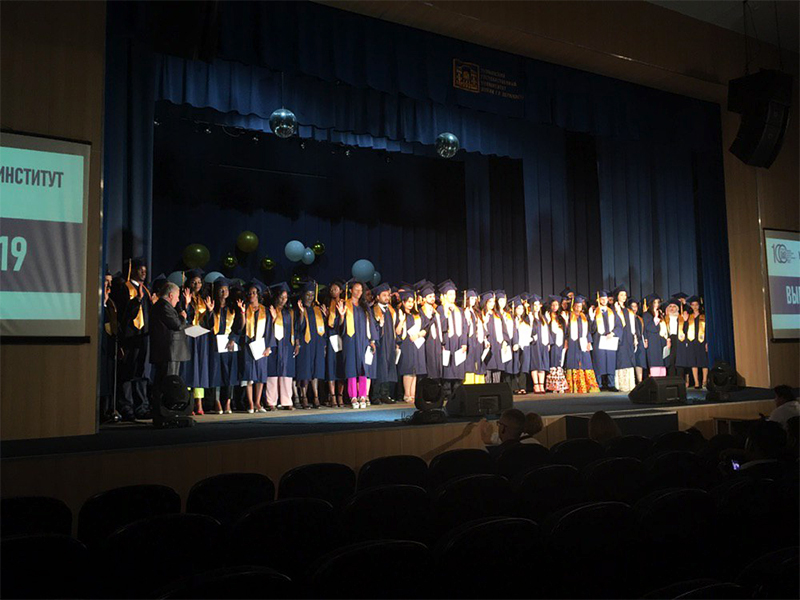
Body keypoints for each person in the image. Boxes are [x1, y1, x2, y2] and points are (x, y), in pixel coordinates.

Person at [112, 257, 152, 421]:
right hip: (129, 337)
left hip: (143, 336)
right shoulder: (123, 288)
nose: (143, 271)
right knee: (127, 373)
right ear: (132, 270)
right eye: (140, 269)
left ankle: (142, 406)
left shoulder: (146, 290)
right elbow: (122, 314)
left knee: (141, 372)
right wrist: (136, 301)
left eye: (145, 269)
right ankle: (126, 407)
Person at [202, 277, 243, 414]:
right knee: (215, 373)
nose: (223, 291)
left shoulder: (233, 308)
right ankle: (217, 401)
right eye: (220, 289)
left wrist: (233, 339)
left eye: (225, 289)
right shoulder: (212, 307)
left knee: (229, 374)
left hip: (229, 345)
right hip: (214, 344)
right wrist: (209, 311)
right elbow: (207, 326)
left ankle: (228, 402)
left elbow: (238, 327)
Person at [338, 280, 377, 409]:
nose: (359, 292)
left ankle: (363, 395)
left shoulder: (364, 307)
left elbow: (371, 325)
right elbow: (340, 325)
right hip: (350, 340)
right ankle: (353, 396)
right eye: (356, 289)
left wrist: (372, 341)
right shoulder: (345, 304)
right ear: (350, 290)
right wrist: (342, 316)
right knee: (351, 367)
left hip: (364, 340)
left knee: (363, 368)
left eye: (361, 290)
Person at [148, 282, 191, 388]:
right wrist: (182, 317)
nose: (177, 300)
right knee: (168, 382)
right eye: (177, 297)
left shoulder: (165, 306)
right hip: (168, 352)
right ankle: (162, 404)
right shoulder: (163, 306)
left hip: (171, 353)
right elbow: (177, 325)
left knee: (170, 381)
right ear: (171, 295)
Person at [265, 282, 299, 410]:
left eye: (285, 298)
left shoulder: (288, 312)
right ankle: (271, 402)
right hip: (273, 344)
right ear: (276, 297)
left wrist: (296, 343)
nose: (284, 300)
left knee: (286, 373)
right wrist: (272, 319)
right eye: (281, 297)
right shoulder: (269, 311)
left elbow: (294, 329)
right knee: (272, 373)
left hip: (286, 345)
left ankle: (286, 401)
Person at [240, 280, 272, 413]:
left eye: (254, 293)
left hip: (261, 346)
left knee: (260, 376)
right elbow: (240, 329)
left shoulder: (265, 310)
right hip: (248, 346)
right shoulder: (244, 308)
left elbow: (270, 330)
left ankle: (258, 402)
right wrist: (241, 314)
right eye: (250, 293)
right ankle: (251, 404)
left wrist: (269, 346)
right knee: (249, 376)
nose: (252, 295)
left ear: (258, 295)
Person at [181, 269, 211, 415]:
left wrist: (210, 311)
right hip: (188, 336)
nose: (197, 284)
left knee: (200, 370)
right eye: (194, 282)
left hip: (201, 337)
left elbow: (208, 321)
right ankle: (188, 403)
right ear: (188, 283)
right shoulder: (183, 297)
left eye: (199, 282)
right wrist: (186, 304)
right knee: (188, 369)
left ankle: (199, 403)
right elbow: (182, 316)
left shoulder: (204, 299)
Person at [295, 281, 326, 409]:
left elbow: (323, 330)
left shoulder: (317, 310)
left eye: (312, 295)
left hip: (317, 343)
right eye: (308, 294)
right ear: (303, 295)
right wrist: (302, 313)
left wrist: (326, 316)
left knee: (316, 370)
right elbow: (298, 327)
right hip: (305, 344)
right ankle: (304, 396)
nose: (310, 297)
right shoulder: (298, 309)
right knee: (305, 371)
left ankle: (316, 396)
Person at [564, 295, 600, 394]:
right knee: (573, 362)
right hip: (573, 343)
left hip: (583, 343)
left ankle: (588, 387)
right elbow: (566, 331)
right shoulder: (568, 316)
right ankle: (574, 387)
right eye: (577, 306)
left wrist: (589, 342)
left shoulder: (585, 317)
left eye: (580, 306)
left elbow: (590, 331)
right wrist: (566, 341)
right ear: (573, 306)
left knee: (586, 362)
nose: (578, 308)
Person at [395, 289, 427, 402]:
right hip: (406, 344)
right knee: (407, 370)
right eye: (408, 301)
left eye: (412, 301)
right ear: (403, 302)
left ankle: (413, 395)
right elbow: (398, 332)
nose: (410, 304)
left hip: (416, 344)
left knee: (415, 371)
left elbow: (424, 329)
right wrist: (401, 321)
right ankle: (406, 394)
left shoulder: (417, 315)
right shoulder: (400, 313)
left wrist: (420, 334)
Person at [370, 282, 398, 405]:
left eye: (388, 295)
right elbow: (372, 328)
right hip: (379, 344)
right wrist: (379, 325)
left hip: (389, 343)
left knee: (387, 368)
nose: (387, 297)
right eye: (384, 295)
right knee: (379, 368)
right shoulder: (373, 311)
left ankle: (385, 394)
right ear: (377, 297)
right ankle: (375, 395)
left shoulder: (390, 311)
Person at [438, 280, 467, 400]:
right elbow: (440, 327)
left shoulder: (459, 310)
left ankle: (457, 392)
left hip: (458, 341)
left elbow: (465, 328)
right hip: (447, 341)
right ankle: (446, 392)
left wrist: (464, 343)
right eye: (449, 294)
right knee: (448, 367)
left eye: (454, 294)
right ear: (444, 296)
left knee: (458, 367)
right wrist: (442, 343)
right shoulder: (440, 309)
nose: (452, 297)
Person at [590, 290, 619, 392]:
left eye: (605, 299)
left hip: (610, 340)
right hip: (599, 340)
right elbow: (592, 329)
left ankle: (611, 384)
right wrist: (592, 319)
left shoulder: (612, 312)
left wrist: (613, 333)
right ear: (598, 300)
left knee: (610, 362)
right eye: (601, 299)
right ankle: (600, 384)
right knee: (599, 362)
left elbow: (618, 326)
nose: (604, 300)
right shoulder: (595, 312)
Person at [678, 296, 708, 389]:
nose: (695, 307)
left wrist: (707, 342)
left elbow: (707, 330)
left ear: (699, 306)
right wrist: (685, 320)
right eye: (693, 305)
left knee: (703, 362)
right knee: (693, 362)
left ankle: (704, 381)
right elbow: (684, 330)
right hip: (691, 342)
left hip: (702, 342)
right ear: (690, 306)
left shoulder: (704, 317)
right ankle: (696, 382)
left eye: (696, 305)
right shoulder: (689, 317)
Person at [325, 280, 346, 407]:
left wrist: (342, 316)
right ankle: (332, 396)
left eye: (336, 289)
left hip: (341, 338)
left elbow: (346, 324)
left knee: (341, 368)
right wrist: (327, 316)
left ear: (341, 291)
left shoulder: (344, 304)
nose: (333, 291)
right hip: (331, 337)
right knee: (331, 368)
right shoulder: (327, 304)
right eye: (331, 289)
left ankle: (340, 396)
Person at [612, 286, 636, 393]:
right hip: (620, 339)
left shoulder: (628, 310)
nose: (623, 297)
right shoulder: (613, 310)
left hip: (628, 338)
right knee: (621, 359)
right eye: (621, 295)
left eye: (625, 295)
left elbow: (632, 326)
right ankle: (621, 385)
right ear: (617, 296)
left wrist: (634, 336)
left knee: (629, 358)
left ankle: (630, 384)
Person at [463, 289, 487, 385]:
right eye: (471, 299)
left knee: (478, 362)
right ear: (467, 299)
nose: (473, 301)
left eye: (474, 299)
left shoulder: (477, 312)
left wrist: (485, 339)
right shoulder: (465, 312)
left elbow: (482, 327)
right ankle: (469, 385)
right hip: (469, 340)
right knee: (470, 363)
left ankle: (479, 385)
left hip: (478, 341)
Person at [545, 295, 568, 393]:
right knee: (553, 362)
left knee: (560, 363)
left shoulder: (561, 318)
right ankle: (553, 386)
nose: (555, 307)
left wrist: (565, 342)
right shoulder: (547, 317)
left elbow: (566, 331)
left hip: (560, 342)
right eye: (553, 305)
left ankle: (560, 385)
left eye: (557, 305)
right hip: (552, 342)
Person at [642, 294, 668, 377]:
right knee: (655, 362)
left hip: (661, 341)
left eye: (658, 302)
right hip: (652, 341)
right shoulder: (646, 315)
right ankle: (655, 381)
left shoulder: (661, 314)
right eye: (654, 302)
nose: (657, 304)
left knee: (662, 362)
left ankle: (662, 381)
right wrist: (655, 319)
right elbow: (650, 328)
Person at [529, 294, 550, 394]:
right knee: (535, 364)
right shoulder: (530, 317)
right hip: (534, 343)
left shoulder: (543, 318)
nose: (537, 307)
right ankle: (536, 385)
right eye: (535, 305)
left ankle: (541, 385)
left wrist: (549, 343)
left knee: (543, 364)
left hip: (543, 343)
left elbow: (547, 331)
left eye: (538, 305)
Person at [509, 296, 531, 394]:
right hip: (515, 345)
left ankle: (523, 387)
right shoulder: (512, 319)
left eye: (522, 308)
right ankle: (514, 387)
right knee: (515, 365)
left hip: (525, 345)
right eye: (518, 308)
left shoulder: (526, 320)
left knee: (523, 366)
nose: (520, 310)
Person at [628, 298, 646, 385]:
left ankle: (640, 381)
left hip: (639, 342)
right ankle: (632, 381)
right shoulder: (627, 318)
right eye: (632, 306)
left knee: (640, 361)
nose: (634, 308)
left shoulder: (639, 318)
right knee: (632, 361)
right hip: (630, 342)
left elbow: (643, 331)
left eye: (635, 306)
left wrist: (644, 340)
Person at [663, 299, 684, 378]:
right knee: (670, 360)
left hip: (679, 339)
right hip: (669, 339)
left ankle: (680, 378)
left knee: (679, 359)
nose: (672, 308)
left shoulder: (681, 318)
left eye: (674, 306)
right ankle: (671, 378)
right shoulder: (665, 318)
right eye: (670, 306)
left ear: (677, 308)